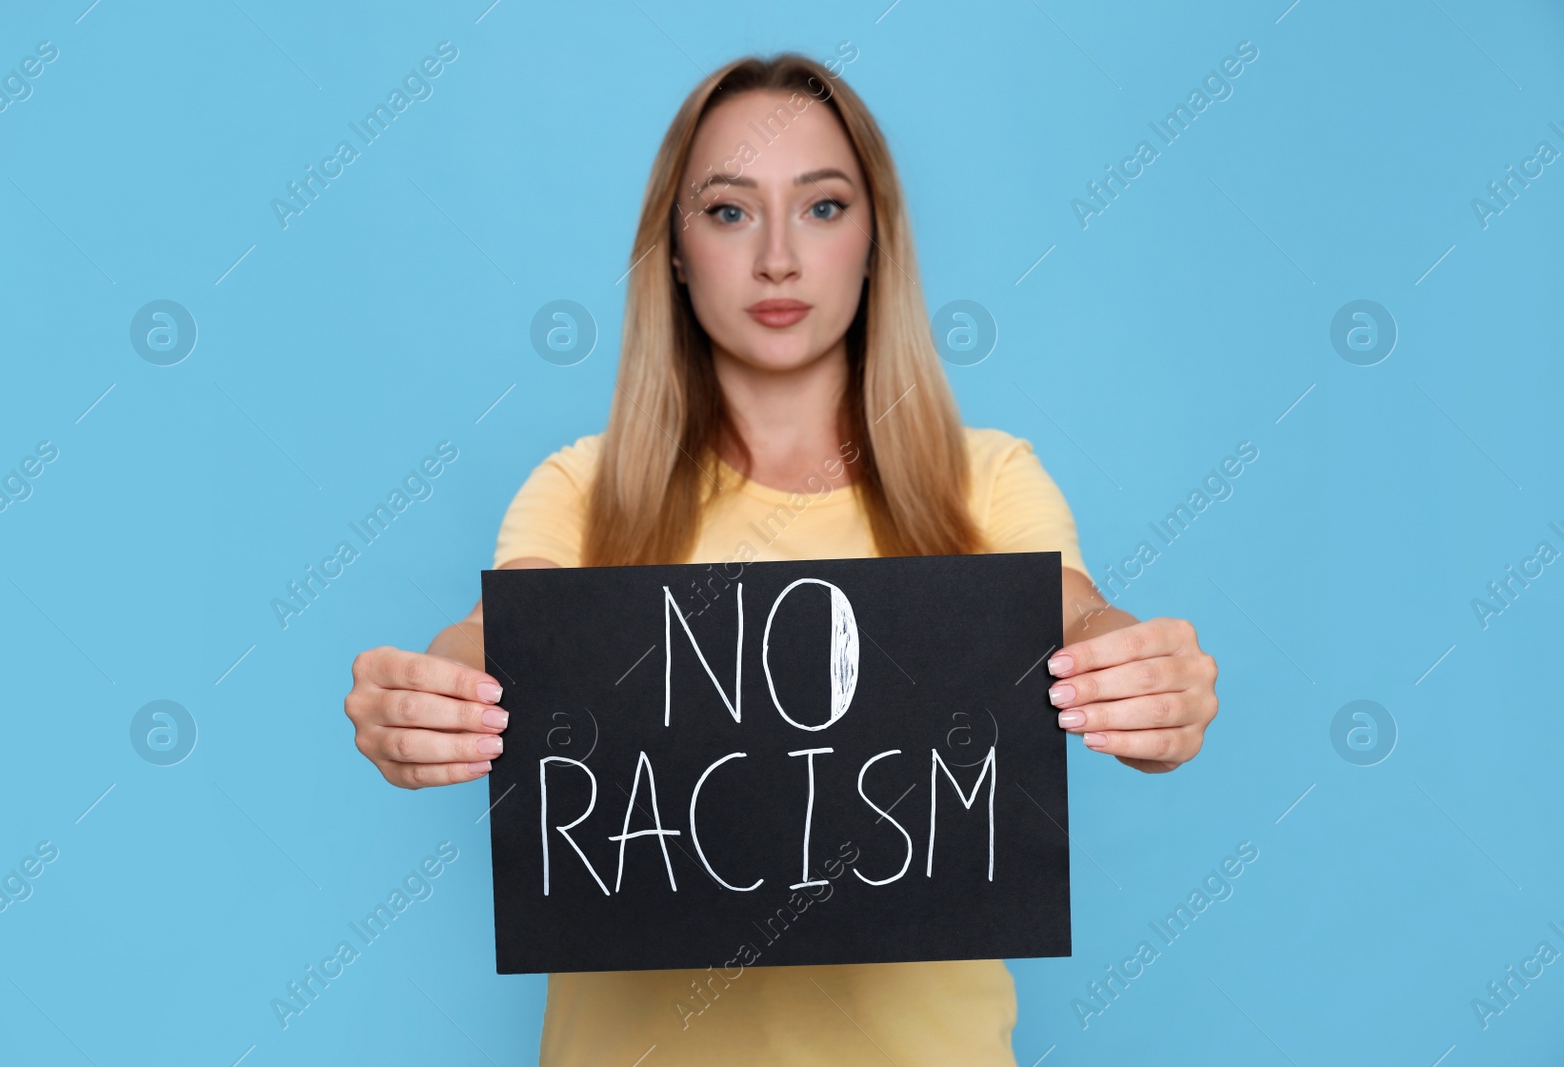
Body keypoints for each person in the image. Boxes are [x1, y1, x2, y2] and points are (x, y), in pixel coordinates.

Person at [344, 51, 1219, 1065]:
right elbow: (497, 637)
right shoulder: (580, 491)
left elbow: (1076, 617)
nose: (775, 258)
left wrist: (1145, 683)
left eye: (821, 206)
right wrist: (427, 696)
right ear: (673, 249)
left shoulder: (987, 480)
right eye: (726, 210)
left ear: (874, 239)